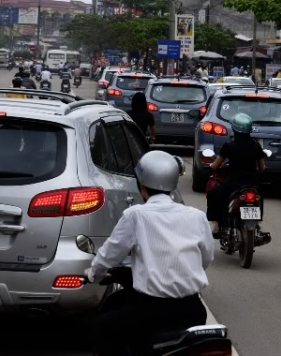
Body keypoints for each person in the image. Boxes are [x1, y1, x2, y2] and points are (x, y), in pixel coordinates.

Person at [86, 151, 214, 356]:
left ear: (142, 186)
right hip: (193, 311)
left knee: (101, 328)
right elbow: (206, 259)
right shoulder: (197, 217)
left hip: (152, 312)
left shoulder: (135, 215)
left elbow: (109, 255)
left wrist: (93, 274)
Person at [206, 113, 266, 234]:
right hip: (252, 183)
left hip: (233, 183)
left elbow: (216, 165)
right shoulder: (256, 146)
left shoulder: (229, 146)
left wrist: (211, 166)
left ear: (234, 129)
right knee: (259, 197)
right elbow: (262, 167)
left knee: (213, 194)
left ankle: (216, 224)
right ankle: (258, 224)